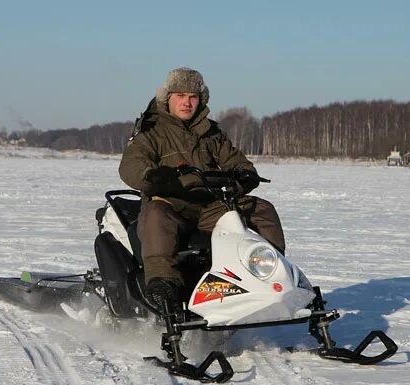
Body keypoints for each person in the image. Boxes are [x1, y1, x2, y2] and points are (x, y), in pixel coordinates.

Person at [119, 67, 286, 310]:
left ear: (201, 99)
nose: (187, 102)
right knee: (155, 214)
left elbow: (235, 160)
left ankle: (270, 273)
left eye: (193, 96)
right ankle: (163, 285)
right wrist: (152, 176)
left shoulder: (211, 132)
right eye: (181, 95)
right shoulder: (151, 130)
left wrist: (245, 175)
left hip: (209, 205)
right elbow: (131, 165)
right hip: (171, 205)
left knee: (260, 209)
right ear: (168, 98)